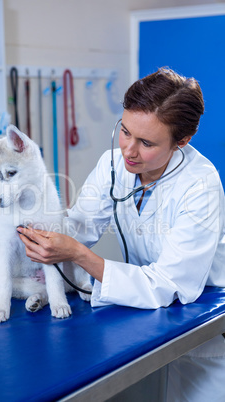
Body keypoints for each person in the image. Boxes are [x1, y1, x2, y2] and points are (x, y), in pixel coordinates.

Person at [17, 67, 225, 401]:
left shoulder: (200, 184)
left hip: (198, 314)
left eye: (146, 143)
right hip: (144, 314)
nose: (129, 150)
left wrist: (77, 254)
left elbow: (169, 284)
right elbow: (79, 228)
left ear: (181, 141)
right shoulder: (112, 165)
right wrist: (40, 227)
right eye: (125, 131)